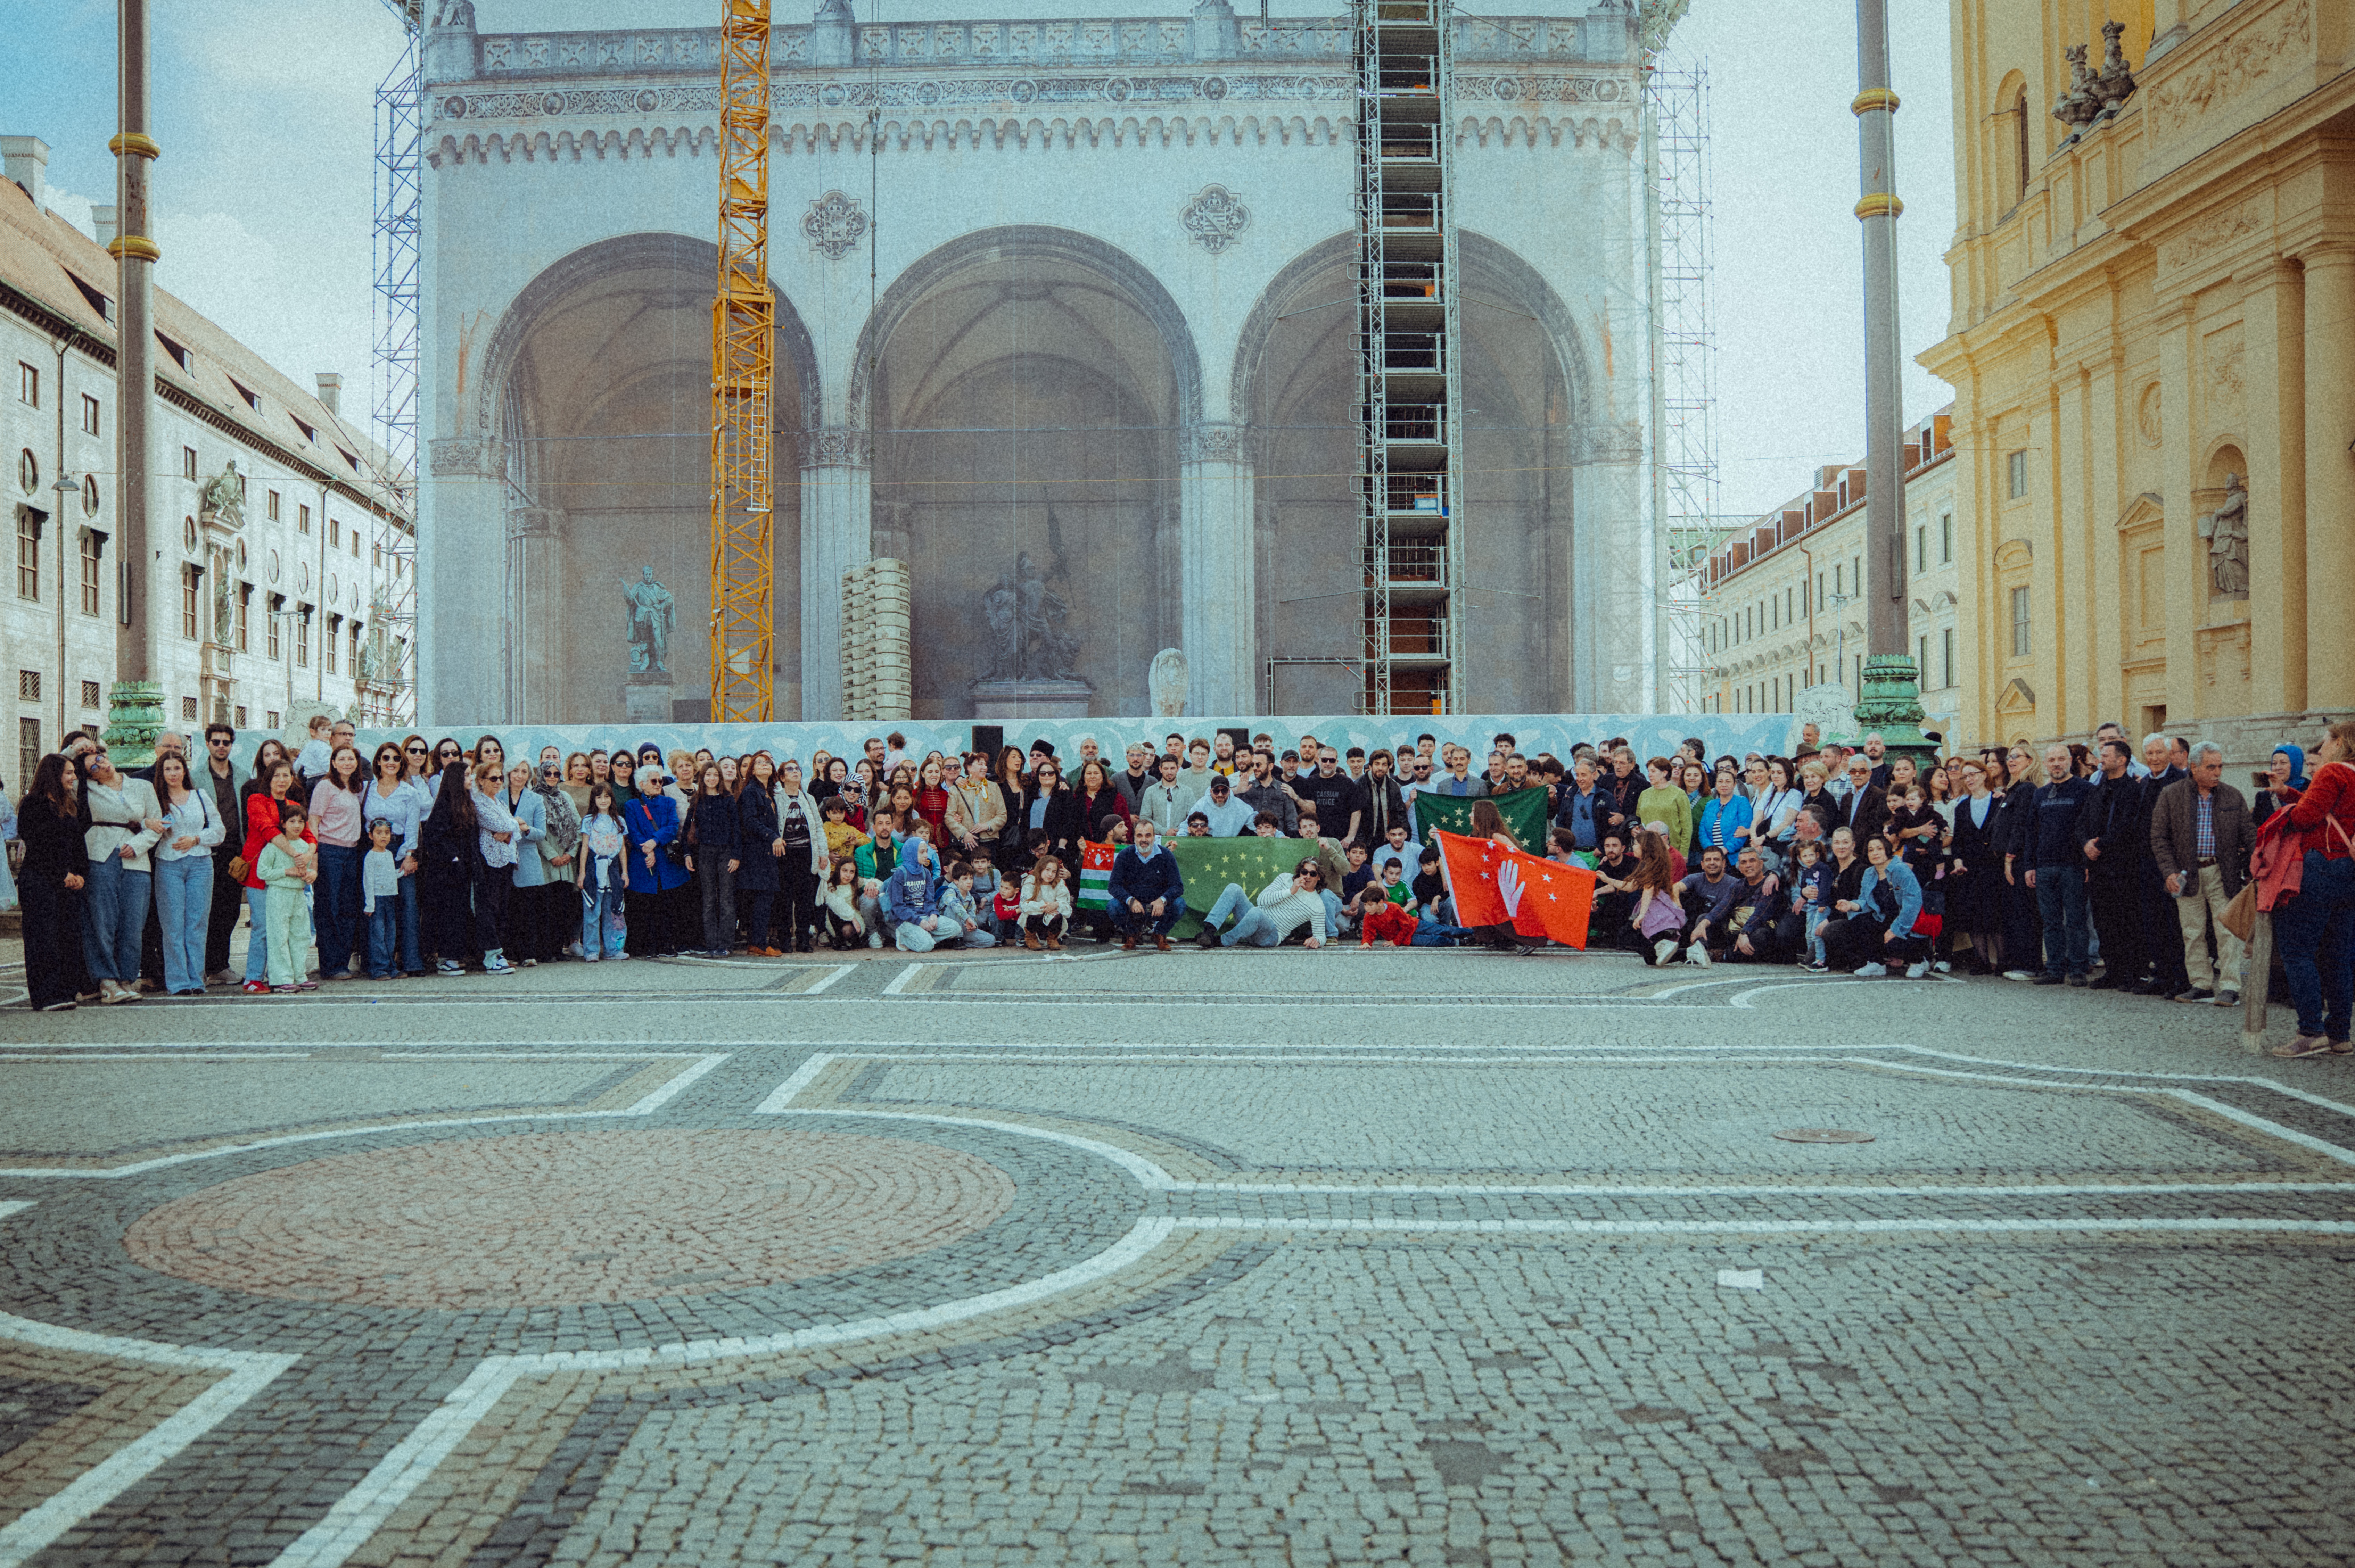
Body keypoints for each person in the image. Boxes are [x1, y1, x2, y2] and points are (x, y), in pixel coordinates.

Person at [2272, 719, 2355, 1058]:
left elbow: (2307, 817)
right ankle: (2340, 1034)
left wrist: (2285, 813)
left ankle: (2310, 1031)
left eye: (2324, 741)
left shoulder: (2332, 771)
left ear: (2338, 743)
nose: (2320, 749)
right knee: (2338, 955)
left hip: (2319, 865)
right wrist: (2288, 793)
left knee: (2297, 950)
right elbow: (2328, 809)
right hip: (2348, 871)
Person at [2149, 740, 2254, 1006]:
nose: (2217, 772)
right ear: (2194, 767)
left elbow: (2250, 835)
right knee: (2192, 930)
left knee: (2226, 930)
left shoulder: (2233, 796)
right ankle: (2201, 984)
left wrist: (2253, 868)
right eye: (2211, 767)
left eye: (2219, 766)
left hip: (2223, 873)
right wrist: (2169, 872)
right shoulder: (2171, 794)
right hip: (2187, 873)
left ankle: (2230, 987)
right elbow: (2159, 837)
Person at [79, 746, 163, 1005]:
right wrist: (75, 750)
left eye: (102, 759)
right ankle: (107, 980)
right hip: (100, 854)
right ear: (91, 777)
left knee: (133, 921)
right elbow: (63, 769)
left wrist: (138, 845)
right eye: (94, 767)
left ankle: (127, 978)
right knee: (102, 919)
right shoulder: (86, 790)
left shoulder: (142, 786)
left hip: (136, 858)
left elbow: (158, 822)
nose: (102, 766)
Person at [151, 749, 226, 996]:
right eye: (167, 769)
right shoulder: (156, 798)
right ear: (161, 774)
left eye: (177, 768)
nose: (173, 773)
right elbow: (144, 825)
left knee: (197, 923)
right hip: (169, 864)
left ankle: (197, 978)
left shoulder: (200, 796)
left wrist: (196, 838)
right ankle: (178, 981)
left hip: (201, 864)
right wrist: (150, 825)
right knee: (173, 925)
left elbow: (219, 830)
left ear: (185, 770)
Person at [21, 754, 91, 1010]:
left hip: (69, 882)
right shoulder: (33, 805)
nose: (74, 777)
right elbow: (37, 845)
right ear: (54, 775)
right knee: (44, 938)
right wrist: (61, 874)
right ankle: (45, 995)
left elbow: (77, 843)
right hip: (41, 880)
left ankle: (65, 990)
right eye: (69, 773)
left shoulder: (70, 804)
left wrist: (81, 874)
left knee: (67, 936)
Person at [2025, 744, 2097, 986]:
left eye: (2060, 759)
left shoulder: (2085, 789)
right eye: (2051, 760)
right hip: (2044, 866)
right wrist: (2029, 866)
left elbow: (2090, 827)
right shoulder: (2040, 794)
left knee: (2076, 920)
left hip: (2074, 865)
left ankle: (2077, 968)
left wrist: (2088, 863)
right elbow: (2031, 832)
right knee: (2051, 920)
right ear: (2045, 764)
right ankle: (2054, 969)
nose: (2056, 764)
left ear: (2069, 762)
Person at [307, 745, 368, 980]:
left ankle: (342, 962)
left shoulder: (356, 788)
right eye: (341, 759)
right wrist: (314, 856)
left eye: (351, 759)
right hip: (329, 851)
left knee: (347, 909)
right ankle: (330, 965)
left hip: (351, 853)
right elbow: (313, 822)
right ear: (333, 762)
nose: (347, 763)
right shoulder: (325, 786)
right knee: (328, 908)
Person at [1945, 757, 2006, 974]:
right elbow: (1959, 840)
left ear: (1984, 775)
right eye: (1965, 776)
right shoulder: (1962, 808)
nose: (1969, 779)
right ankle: (1982, 961)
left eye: (1973, 774)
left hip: (1994, 866)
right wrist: (1958, 861)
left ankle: (2002, 962)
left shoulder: (2000, 801)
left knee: (1996, 916)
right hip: (1970, 869)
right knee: (1974, 917)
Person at [624, 758, 688, 957]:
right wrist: (648, 848)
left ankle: (666, 944)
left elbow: (672, 827)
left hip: (666, 863)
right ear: (642, 784)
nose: (659, 785)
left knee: (667, 905)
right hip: (642, 861)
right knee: (644, 906)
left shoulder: (669, 802)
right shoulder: (632, 805)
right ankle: (646, 946)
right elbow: (633, 832)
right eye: (654, 782)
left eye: (660, 781)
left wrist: (654, 843)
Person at [198, 724, 247, 984]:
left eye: (226, 742)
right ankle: (204, 966)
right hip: (206, 852)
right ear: (207, 743)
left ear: (232, 745)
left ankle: (221, 964)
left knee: (230, 911)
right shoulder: (195, 777)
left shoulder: (242, 775)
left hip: (234, 852)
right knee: (205, 911)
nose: (221, 746)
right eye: (216, 741)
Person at [255, 799, 321, 992]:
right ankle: (280, 977)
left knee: (300, 935)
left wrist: (311, 875)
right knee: (279, 936)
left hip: (298, 894)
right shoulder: (275, 846)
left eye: (301, 822)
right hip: (279, 894)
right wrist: (287, 872)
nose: (297, 826)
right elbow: (263, 872)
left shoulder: (305, 846)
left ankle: (299, 975)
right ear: (283, 823)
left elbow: (311, 869)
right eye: (292, 821)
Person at [1196, 858, 1328, 949]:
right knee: (1234, 888)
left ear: (1319, 877)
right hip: (1252, 923)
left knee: (1257, 912)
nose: (1308, 877)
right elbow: (1262, 900)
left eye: (1313, 874)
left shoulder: (1317, 905)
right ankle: (1208, 933)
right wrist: (1290, 891)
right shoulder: (1285, 878)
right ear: (1300, 872)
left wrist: (1317, 941)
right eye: (1304, 872)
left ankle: (1222, 941)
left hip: (1270, 937)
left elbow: (1321, 936)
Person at [471, 761, 522, 976]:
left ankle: (498, 953)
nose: (499, 782)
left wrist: (512, 830)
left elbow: (516, 831)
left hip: (507, 861)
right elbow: (507, 825)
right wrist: (514, 826)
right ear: (481, 781)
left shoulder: (499, 802)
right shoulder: (479, 802)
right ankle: (490, 955)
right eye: (493, 778)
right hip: (490, 862)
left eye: (501, 778)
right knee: (490, 908)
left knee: (502, 908)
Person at [1109, 818, 1186, 950]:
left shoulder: (1166, 855)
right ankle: (1133, 934)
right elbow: (1114, 886)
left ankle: (1160, 934)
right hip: (1134, 906)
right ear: (1134, 838)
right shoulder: (1124, 855)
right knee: (1113, 906)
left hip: (1157, 907)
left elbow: (1178, 886)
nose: (1144, 840)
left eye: (1148, 835)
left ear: (1155, 837)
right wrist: (1130, 901)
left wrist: (1163, 901)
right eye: (1140, 836)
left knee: (1180, 904)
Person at [577, 781, 630, 962]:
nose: (603, 800)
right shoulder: (589, 821)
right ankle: (591, 950)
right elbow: (585, 847)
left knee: (614, 911)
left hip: (613, 870)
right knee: (593, 911)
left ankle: (614, 949)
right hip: (594, 869)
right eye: (599, 797)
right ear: (594, 799)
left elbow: (622, 849)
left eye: (607, 796)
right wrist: (582, 872)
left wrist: (625, 872)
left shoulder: (619, 821)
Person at [882, 828, 951, 951]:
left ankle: (923, 936)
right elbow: (898, 907)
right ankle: (906, 937)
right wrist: (919, 922)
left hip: (924, 915)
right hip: (906, 919)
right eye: (922, 852)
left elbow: (929, 901)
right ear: (912, 853)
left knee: (955, 928)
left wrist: (933, 915)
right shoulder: (900, 874)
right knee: (927, 946)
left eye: (927, 852)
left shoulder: (925, 873)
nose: (926, 855)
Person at [360, 816, 403, 980]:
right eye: (379, 833)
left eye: (387, 833)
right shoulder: (370, 857)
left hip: (390, 899)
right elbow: (368, 881)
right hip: (377, 900)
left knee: (390, 935)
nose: (384, 836)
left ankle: (391, 966)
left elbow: (391, 875)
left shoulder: (390, 854)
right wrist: (370, 904)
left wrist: (403, 871)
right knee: (378, 935)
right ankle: (378, 969)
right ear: (371, 836)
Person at [1635, 758, 1691, 856]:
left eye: (1653, 771)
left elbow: (1687, 827)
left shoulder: (1679, 794)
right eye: (1649, 771)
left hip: (1671, 851)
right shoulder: (1644, 794)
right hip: (1647, 851)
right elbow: (1640, 820)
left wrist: (1684, 853)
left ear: (1665, 773)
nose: (1649, 775)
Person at [1019, 853, 1074, 949]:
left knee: (1058, 914)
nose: (1050, 874)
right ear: (1041, 869)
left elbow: (1068, 910)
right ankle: (1031, 938)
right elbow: (1024, 905)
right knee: (1035, 913)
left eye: (1054, 872)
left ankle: (1053, 939)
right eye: (1047, 870)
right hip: (1034, 922)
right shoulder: (1031, 880)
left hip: (1051, 924)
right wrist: (1045, 906)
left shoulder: (1059, 883)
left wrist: (1056, 904)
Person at [2254, 744, 2307, 830]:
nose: (2278, 768)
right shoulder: (2264, 798)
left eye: (2283, 763)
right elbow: (2256, 828)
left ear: (2296, 765)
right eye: (2274, 764)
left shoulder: (2311, 789)